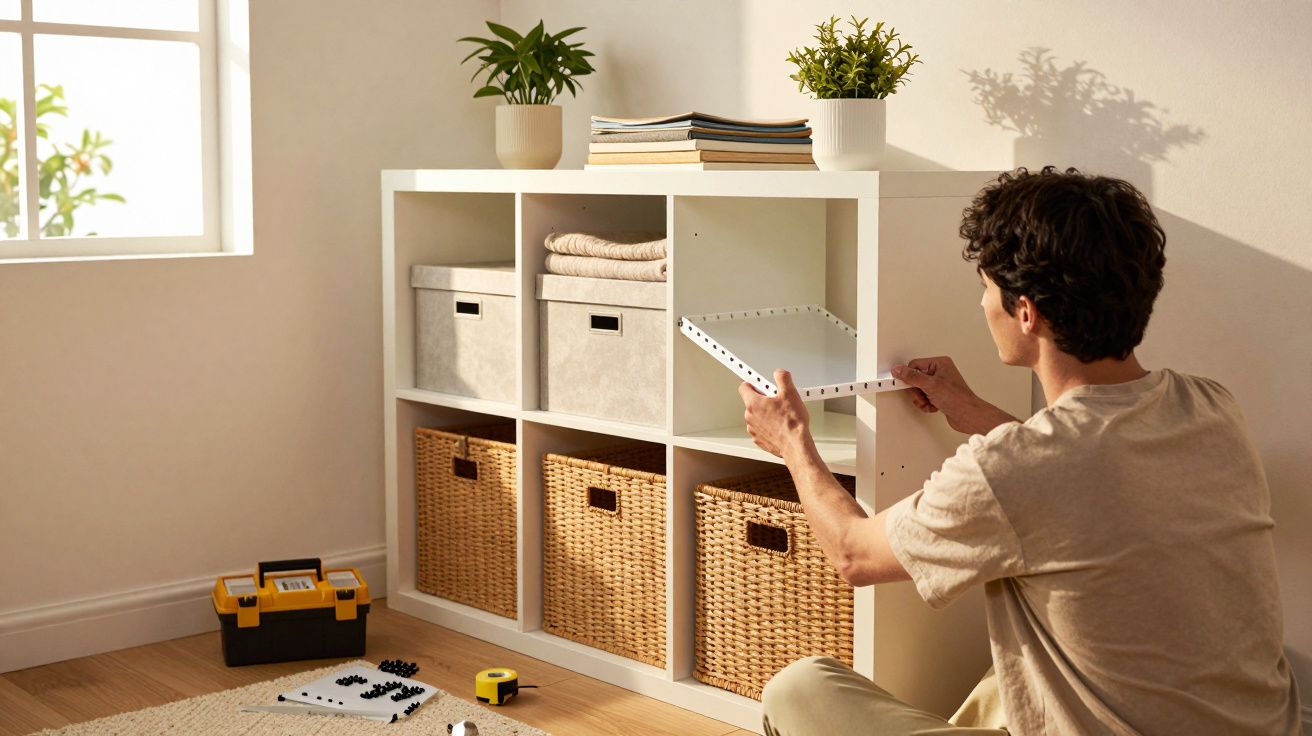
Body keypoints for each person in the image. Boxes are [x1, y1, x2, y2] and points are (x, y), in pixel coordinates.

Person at [739, 167, 1301, 735]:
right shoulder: (1210, 406)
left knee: (799, 689)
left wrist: (792, 440)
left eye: (985, 287)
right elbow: (1082, 475)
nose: (982, 303)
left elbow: (853, 554)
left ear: (1026, 312)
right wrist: (969, 408)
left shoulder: (1009, 470)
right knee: (1016, 671)